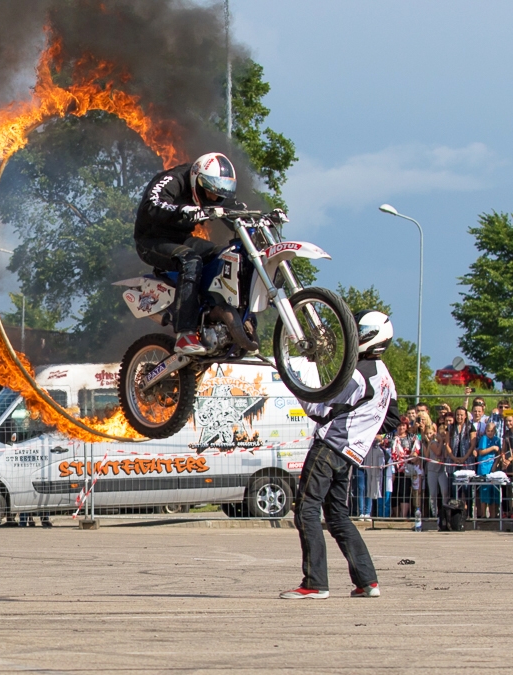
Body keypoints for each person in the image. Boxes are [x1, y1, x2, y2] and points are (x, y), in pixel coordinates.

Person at [281, 311, 399, 600]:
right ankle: (367, 581)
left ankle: (315, 583)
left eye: (357, 333)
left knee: (307, 510)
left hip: (329, 447)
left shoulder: (357, 374)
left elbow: (319, 409)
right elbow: (393, 418)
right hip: (350, 453)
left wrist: (296, 382)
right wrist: (363, 427)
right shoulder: (385, 378)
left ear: (370, 337)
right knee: (337, 515)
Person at [132, 152, 255, 355]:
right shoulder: (173, 179)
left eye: (219, 194)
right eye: (209, 192)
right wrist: (182, 210)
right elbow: (151, 205)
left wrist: (261, 217)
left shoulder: (215, 191)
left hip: (182, 239)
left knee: (224, 255)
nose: (214, 198)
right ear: (197, 180)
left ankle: (217, 315)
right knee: (191, 260)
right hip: (152, 241)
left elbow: (232, 209)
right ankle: (185, 333)